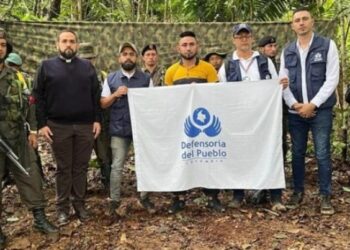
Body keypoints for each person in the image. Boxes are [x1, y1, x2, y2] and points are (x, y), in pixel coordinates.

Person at [33, 30, 101, 225]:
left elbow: (95, 95)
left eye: (72, 41)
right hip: (58, 126)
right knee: (63, 168)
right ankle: (62, 208)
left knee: (80, 167)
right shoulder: (46, 67)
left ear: (77, 46)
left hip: (84, 127)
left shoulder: (87, 67)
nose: (68, 44)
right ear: (57, 45)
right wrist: (42, 124)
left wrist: (96, 120)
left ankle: (79, 204)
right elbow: (38, 97)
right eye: (64, 41)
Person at [218, 23, 288, 212]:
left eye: (246, 36)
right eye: (239, 36)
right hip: (239, 121)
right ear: (234, 39)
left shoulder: (265, 62)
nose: (243, 39)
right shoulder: (227, 65)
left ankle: (275, 196)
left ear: (252, 38)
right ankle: (238, 195)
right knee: (238, 154)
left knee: (271, 152)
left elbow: (277, 86)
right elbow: (221, 93)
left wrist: (281, 85)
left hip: (264, 119)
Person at [0, 30, 58, 249]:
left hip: (17, 139)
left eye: (3, 44)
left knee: (31, 177)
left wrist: (33, 130)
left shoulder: (15, 77)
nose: (0, 47)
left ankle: (40, 219)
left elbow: (30, 103)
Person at [280, 8, 339, 215]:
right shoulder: (287, 51)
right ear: (292, 25)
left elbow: (332, 80)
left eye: (305, 19)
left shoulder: (327, 45)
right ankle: (298, 192)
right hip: (296, 113)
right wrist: (295, 105)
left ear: (312, 22)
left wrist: (312, 104)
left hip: (320, 111)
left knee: (322, 153)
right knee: (296, 153)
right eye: (297, 20)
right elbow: (282, 81)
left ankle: (325, 195)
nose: (301, 23)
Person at [164, 31, 223, 214]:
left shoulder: (208, 69)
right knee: (181, 158)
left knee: (207, 158)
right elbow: (168, 99)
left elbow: (216, 95)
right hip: (182, 125)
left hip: (205, 125)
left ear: (197, 46)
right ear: (178, 48)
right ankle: (178, 197)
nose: (188, 48)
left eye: (191, 44)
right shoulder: (171, 72)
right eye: (184, 45)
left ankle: (212, 196)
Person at [100, 42, 152, 216]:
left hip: (140, 131)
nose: (128, 57)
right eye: (124, 54)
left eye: (131, 54)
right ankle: (114, 200)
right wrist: (115, 94)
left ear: (136, 58)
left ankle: (144, 197)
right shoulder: (111, 79)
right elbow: (103, 103)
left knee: (144, 164)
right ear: (119, 58)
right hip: (119, 130)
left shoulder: (145, 79)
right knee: (117, 166)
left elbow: (153, 104)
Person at [251, 36, 289, 206]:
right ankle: (259, 189)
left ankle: (275, 191)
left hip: (277, 113)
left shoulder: (278, 64)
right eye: (269, 46)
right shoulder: (250, 64)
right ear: (261, 48)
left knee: (277, 148)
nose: (273, 49)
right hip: (254, 116)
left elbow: (279, 87)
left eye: (275, 45)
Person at [78, 42, 111, 193]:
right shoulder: (72, 77)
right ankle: (81, 189)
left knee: (105, 157)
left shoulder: (103, 76)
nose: (88, 62)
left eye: (90, 58)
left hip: (101, 124)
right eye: (85, 59)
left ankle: (109, 185)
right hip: (81, 124)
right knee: (81, 159)